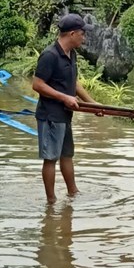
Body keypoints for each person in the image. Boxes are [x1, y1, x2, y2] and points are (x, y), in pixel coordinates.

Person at [32, 13, 96, 203]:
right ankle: (51, 201)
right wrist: (64, 97)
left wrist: (92, 104)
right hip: (50, 114)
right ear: (72, 34)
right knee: (51, 158)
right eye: (82, 34)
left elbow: (73, 82)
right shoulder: (50, 55)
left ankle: (73, 193)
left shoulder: (71, 54)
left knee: (67, 154)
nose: (84, 38)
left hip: (65, 115)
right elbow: (37, 84)